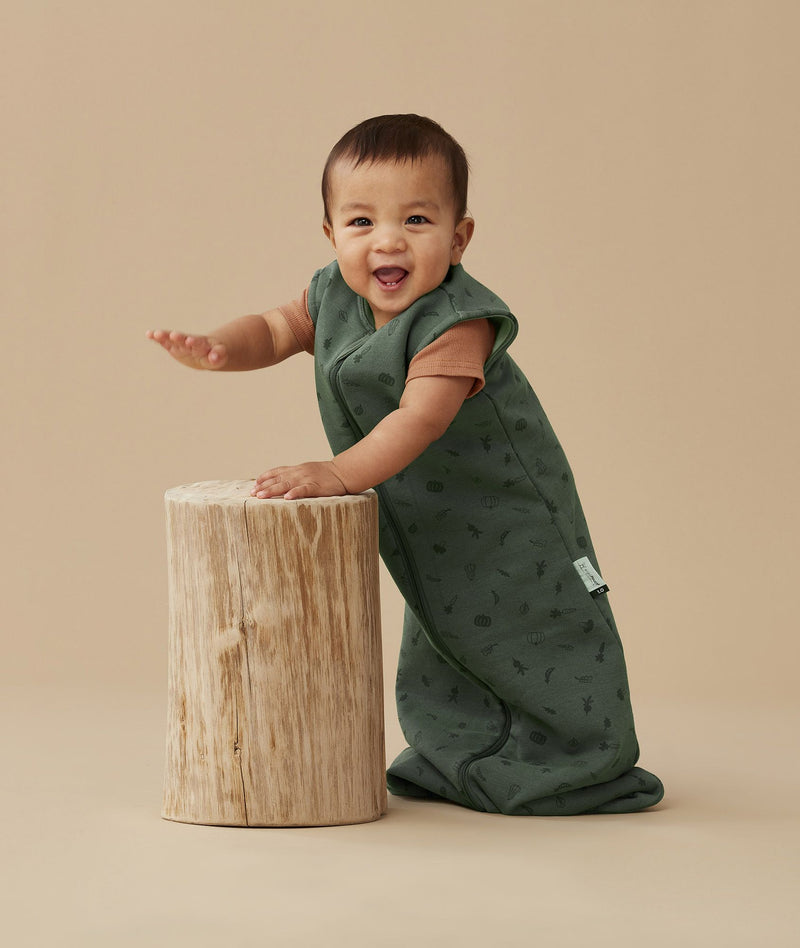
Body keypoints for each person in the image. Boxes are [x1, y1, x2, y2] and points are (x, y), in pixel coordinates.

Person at [147, 114, 664, 815]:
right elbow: (274, 329)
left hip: (507, 514)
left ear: (459, 237)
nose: (387, 239)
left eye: (416, 219)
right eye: (361, 222)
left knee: (530, 621)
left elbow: (422, 417)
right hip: (431, 519)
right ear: (332, 236)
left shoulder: (457, 321)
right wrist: (217, 347)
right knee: (444, 627)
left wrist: (337, 474)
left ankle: (576, 758)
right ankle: (462, 754)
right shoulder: (332, 292)